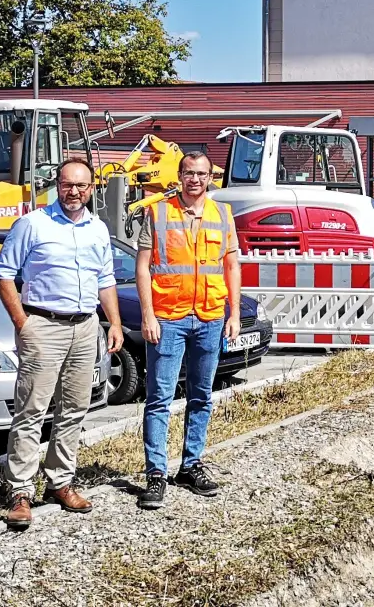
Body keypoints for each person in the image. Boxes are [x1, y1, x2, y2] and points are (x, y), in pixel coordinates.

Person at [0, 158, 124, 530]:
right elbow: (3, 273)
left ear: (92, 188)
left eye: (82, 186)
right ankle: (20, 491)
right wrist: (23, 323)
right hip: (43, 325)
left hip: (84, 327)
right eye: (68, 185)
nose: (74, 192)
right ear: (57, 185)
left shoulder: (98, 228)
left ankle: (61, 481)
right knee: (31, 411)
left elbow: (106, 278)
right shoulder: (33, 224)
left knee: (74, 409)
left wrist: (113, 322)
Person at [135, 151, 242, 509]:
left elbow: (231, 266)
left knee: (202, 396)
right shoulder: (158, 212)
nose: (194, 179)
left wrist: (234, 314)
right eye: (188, 173)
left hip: (210, 316)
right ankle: (155, 473)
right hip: (168, 317)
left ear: (210, 177)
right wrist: (147, 315)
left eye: (201, 174)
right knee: (159, 399)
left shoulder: (222, 214)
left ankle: (191, 464)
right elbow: (143, 267)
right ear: (178, 176)